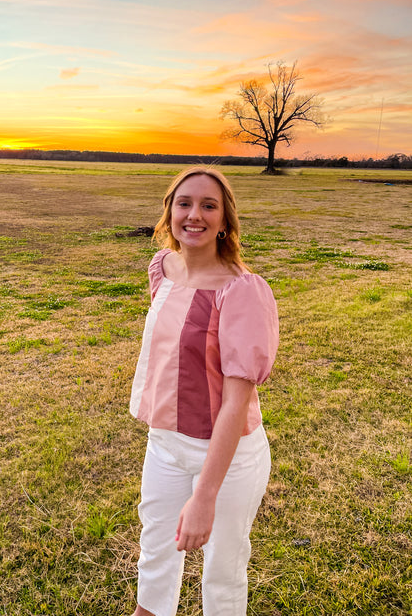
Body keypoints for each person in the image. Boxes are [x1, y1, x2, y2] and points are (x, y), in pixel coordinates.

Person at [129, 166, 279, 616]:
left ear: (225, 221)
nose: (194, 215)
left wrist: (205, 496)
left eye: (208, 206)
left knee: (223, 570)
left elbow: (236, 401)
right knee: (155, 553)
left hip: (228, 457)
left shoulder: (242, 291)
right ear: (170, 212)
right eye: (184, 203)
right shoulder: (163, 268)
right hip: (164, 443)